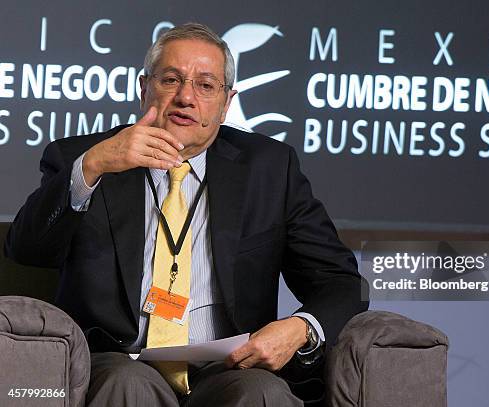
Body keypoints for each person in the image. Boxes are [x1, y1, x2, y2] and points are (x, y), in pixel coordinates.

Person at [4, 23, 368, 406]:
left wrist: (299, 328)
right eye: (172, 79)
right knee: (128, 383)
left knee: (261, 392)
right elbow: (27, 250)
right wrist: (92, 167)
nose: (186, 97)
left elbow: (342, 282)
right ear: (143, 88)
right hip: (120, 361)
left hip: (228, 368)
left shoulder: (269, 169)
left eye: (206, 85)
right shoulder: (87, 157)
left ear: (227, 104)